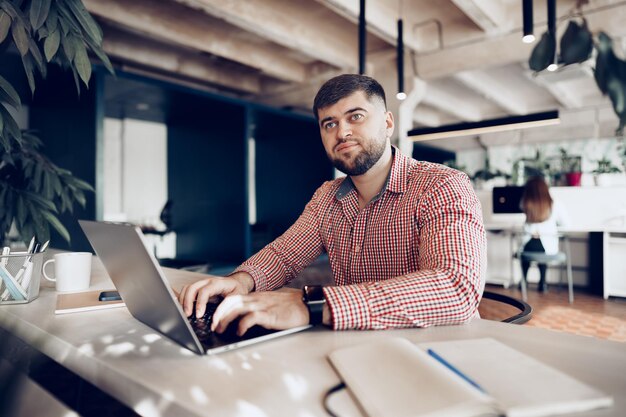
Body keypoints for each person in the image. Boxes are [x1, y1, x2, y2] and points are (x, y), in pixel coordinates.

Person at [178, 74, 486, 335]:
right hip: (356, 345)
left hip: (439, 350)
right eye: (329, 123)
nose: (342, 132)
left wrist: (313, 305)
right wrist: (241, 282)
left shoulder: (441, 185)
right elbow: (284, 256)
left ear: (388, 122)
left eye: (356, 116)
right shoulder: (327, 196)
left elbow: (456, 288)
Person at [519, 176, 571, 292]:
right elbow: (566, 224)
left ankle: (523, 280)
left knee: (527, 252)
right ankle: (543, 283)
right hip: (547, 246)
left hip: (528, 245)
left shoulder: (525, 203)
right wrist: (553, 229)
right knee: (542, 251)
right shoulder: (555, 203)